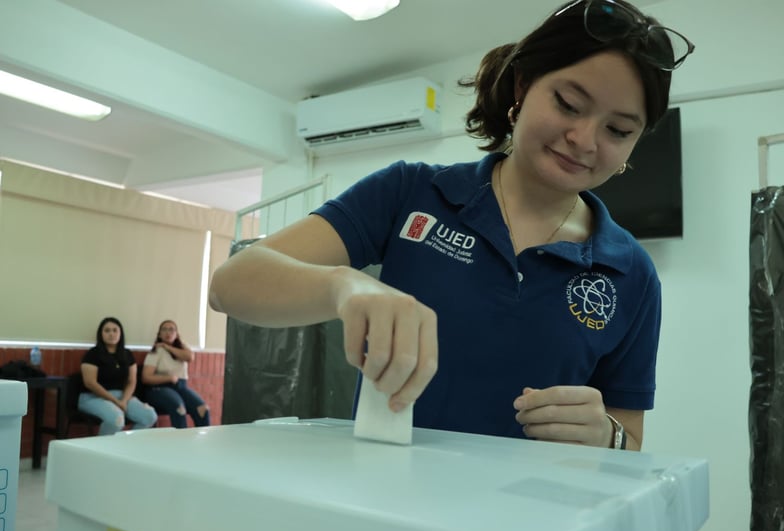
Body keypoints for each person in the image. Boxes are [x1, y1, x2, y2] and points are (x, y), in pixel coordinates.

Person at [209, 0, 694, 451]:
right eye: (569, 103)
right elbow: (231, 285)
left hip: (533, 530)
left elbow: (629, 435)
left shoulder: (630, 272)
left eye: (618, 130)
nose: (584, 139)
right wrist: (345, 287)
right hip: (393, 508)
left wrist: (607, 434)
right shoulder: (411, 194)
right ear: (523, 86)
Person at [79, 317, 158, 435]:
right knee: (117, 419)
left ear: (120, 333)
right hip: (93, 397)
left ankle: (127, 447)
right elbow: (90, 383)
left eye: (115, 330)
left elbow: (132, 381)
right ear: (101, 334)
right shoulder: (92, 354)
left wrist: (124, 400)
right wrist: (116, 401)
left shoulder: (127, 354)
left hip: (122, 396)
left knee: (149, 416)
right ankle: (102, 451)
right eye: (107, 331)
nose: (111, 334)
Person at [140, 320, 210, 428]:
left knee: (203, 409)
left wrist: (167, 347)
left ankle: (203, 442)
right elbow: (146, 377)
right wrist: (168, 378)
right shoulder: (156, 351)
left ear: (177, 334)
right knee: (179, 408)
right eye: (164, 329)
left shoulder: (182, 348)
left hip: (181, 387)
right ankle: (181, 443)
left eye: (171, 329)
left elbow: (190, 357)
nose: (168, 333)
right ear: (159, 334)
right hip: (159, 389)